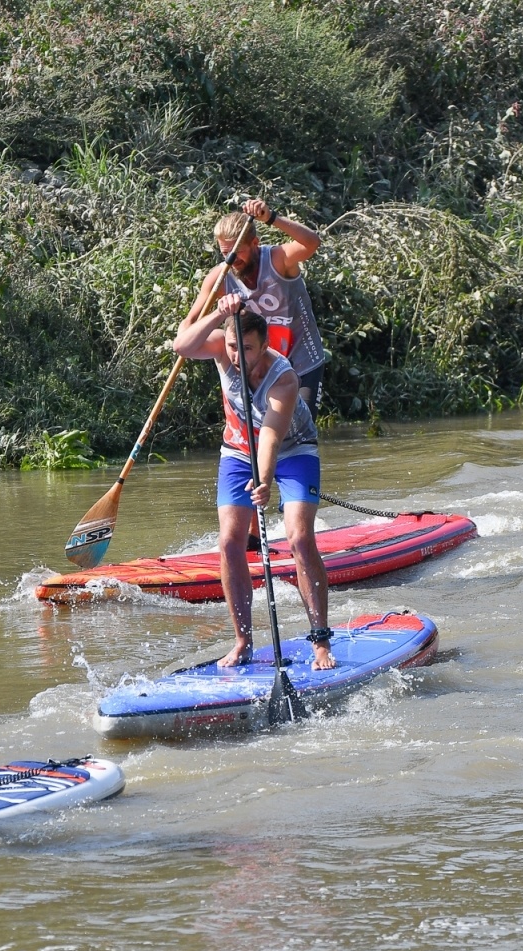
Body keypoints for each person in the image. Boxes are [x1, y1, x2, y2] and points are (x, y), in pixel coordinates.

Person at [173, 297, 337, 671]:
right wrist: (219, 312)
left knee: (299, 538)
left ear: (263, 346)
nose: (238, 356)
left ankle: (320, 641)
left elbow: (271, 438)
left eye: (247, 348)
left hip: (293, 448)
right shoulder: (221, 346)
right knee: (229, 541)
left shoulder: (284, 379)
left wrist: (263, 481)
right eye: (232, 346)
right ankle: (243, 640)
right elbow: (181, 345)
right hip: (236, 449)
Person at [183, 198, 328, 417]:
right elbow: (188, 326)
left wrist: (271, 218)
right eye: (225, 253)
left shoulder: (278, 259)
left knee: (300, 430)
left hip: (302, 361)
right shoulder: (219, 278)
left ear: (255, 244)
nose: (232, 260)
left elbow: (312, 243)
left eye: (237, 252)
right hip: (259, 366)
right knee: (268, 436)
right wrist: (215, 315)